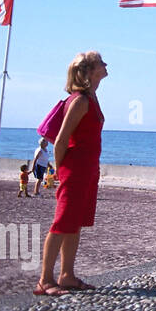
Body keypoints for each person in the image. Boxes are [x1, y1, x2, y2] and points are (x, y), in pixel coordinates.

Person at [36, 51, 107, 296]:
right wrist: (58, 171)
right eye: (101, 63)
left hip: (87, 169)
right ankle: (45, 280)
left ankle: (66, 275)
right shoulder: (80, 101)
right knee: (62, 222)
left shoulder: (91, 98)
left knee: (74, 223)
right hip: (74, 169)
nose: (105, 65)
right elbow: (61, 141)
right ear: (88, 72)